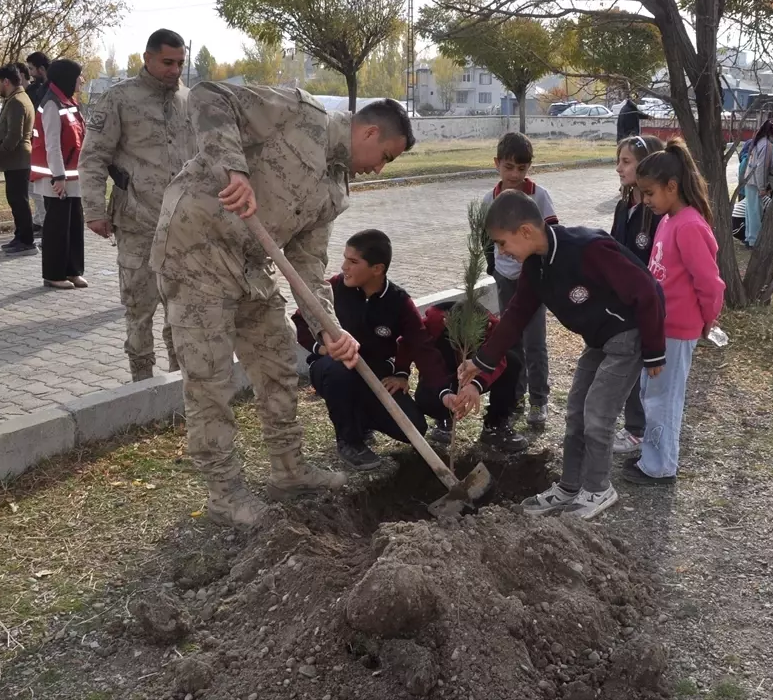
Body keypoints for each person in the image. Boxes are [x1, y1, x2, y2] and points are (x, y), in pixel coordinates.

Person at [150, 84, 414, 528]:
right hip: (196, 250)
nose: (379, 169)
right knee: (210, 380)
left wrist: (331, 329)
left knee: (278, 363)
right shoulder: (298, 112)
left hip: (250, 267)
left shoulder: (334, 189)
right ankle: (224, 494)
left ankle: (288, 470)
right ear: (369, 133)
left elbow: (308, 266)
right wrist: (234, 170)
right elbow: (208, 97)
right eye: (385, 157)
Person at [456, 191, 667, 520]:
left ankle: (598, 488)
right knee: (575, 413)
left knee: (598, 414)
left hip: (628, 339)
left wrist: (654, 351)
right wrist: (480, 363)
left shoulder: (587, 249)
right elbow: (516, 315)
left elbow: (647, 289)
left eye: (501, 242)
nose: (501, 252)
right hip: (598, 342)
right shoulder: (536, 267)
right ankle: (569, 486)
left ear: (525, 231)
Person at [78, 28, 194, 382]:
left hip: (184, 226)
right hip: (138, 223)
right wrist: (94, 210)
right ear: (147, 58)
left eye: (180, 63)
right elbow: (93, 157)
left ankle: (181, 380)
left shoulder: (188, 100)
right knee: (139, 307)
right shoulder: (120, 99)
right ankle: (142, 384)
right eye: (167, 62)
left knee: (183, 309)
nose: (174, 70)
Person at [293, 229, 453, 471]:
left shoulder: (399, 302)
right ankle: (350, 441)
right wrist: (322, 348)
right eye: (345, 258)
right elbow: (300, 320)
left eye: (353, 261)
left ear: (377, 269)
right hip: (333, 370)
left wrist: (407, 376)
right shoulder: (334, 289)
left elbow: (421, 347)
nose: (344, 266)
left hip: (375, 377)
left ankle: (362, 418)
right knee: (339, 373)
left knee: (414, 428)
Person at [621, 138, 724, 486]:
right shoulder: (668, 220)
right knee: (651, 395)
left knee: (664, 399)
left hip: (678, 332)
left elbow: (710, 284)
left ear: (672, 186)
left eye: (649, 193)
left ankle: (661, 466)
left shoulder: (691, 225)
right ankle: (652, 455)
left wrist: (708, 321)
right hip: (659, 328)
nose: (646, 201)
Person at [481, 132, 556, 427]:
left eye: (521, 168)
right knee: (510, 339)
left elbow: (551, 235)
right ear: (497, 164)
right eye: (508, 167)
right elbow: (485, 239)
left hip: (533, 279)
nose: (514, 174)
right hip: (505, 277)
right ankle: (515, 397)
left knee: (534, 341)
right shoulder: (491, 199)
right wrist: (494, 267)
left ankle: (539, 399)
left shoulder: (539, 195)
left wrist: (539, 268)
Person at [400, 300, 528, 453]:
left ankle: (495, 424)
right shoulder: (434, 323)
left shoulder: (492, 325)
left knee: (512, 362)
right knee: (426, 397)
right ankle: (443, 417)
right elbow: (407, 342)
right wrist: (401, 373)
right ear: (447, 323)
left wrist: (476, 384)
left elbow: (499, 359)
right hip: (443, 372)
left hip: (477, 371)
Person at [610, 134, 665, 455]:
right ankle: (635, 427)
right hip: (622, 302)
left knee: (649, 369)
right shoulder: (623, 206)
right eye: (618, 161)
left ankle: (640, 430)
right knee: (629, 365)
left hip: (645, 303)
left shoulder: (655, 212)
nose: (619, 168)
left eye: (626, 161)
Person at [31, 59, 87, 290]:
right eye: (78, 76)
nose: (82, 80)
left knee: (74, 224)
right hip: (56, 179)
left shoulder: (68, 102)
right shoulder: (52, 104)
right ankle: (54, 274)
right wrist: (59, 177)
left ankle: (72, 270)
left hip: (72, 178)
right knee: (56, 228)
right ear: (67, 77)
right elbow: (52, 145)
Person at [0, 63, 36, 256]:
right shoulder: (18, 98)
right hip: (16, 160)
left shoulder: (17, 101)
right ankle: (20, 236)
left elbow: (14, 135)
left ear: (6, 82)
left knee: (19, 200)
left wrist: (0, 152)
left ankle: (26, 241)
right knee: (16, 200)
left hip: (17, 159)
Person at [742, 118, 773, 247]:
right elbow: (762, 168)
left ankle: (749, 237)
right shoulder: (766, 145)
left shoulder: (760, 142)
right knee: (755, 211)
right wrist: (762, 187)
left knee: (750, 210)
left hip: (750, 180)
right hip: (755, 181)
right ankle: (754, 240)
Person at [25, 51, 51, 236]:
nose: (30, 73)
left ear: (41, 69)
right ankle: (39, 220)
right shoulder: (36, 90)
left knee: (40, 186)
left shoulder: (44, 92)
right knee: (34, 186)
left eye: (31, 69)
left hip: (43, 145)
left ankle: (44, 222)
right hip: (37, 144)